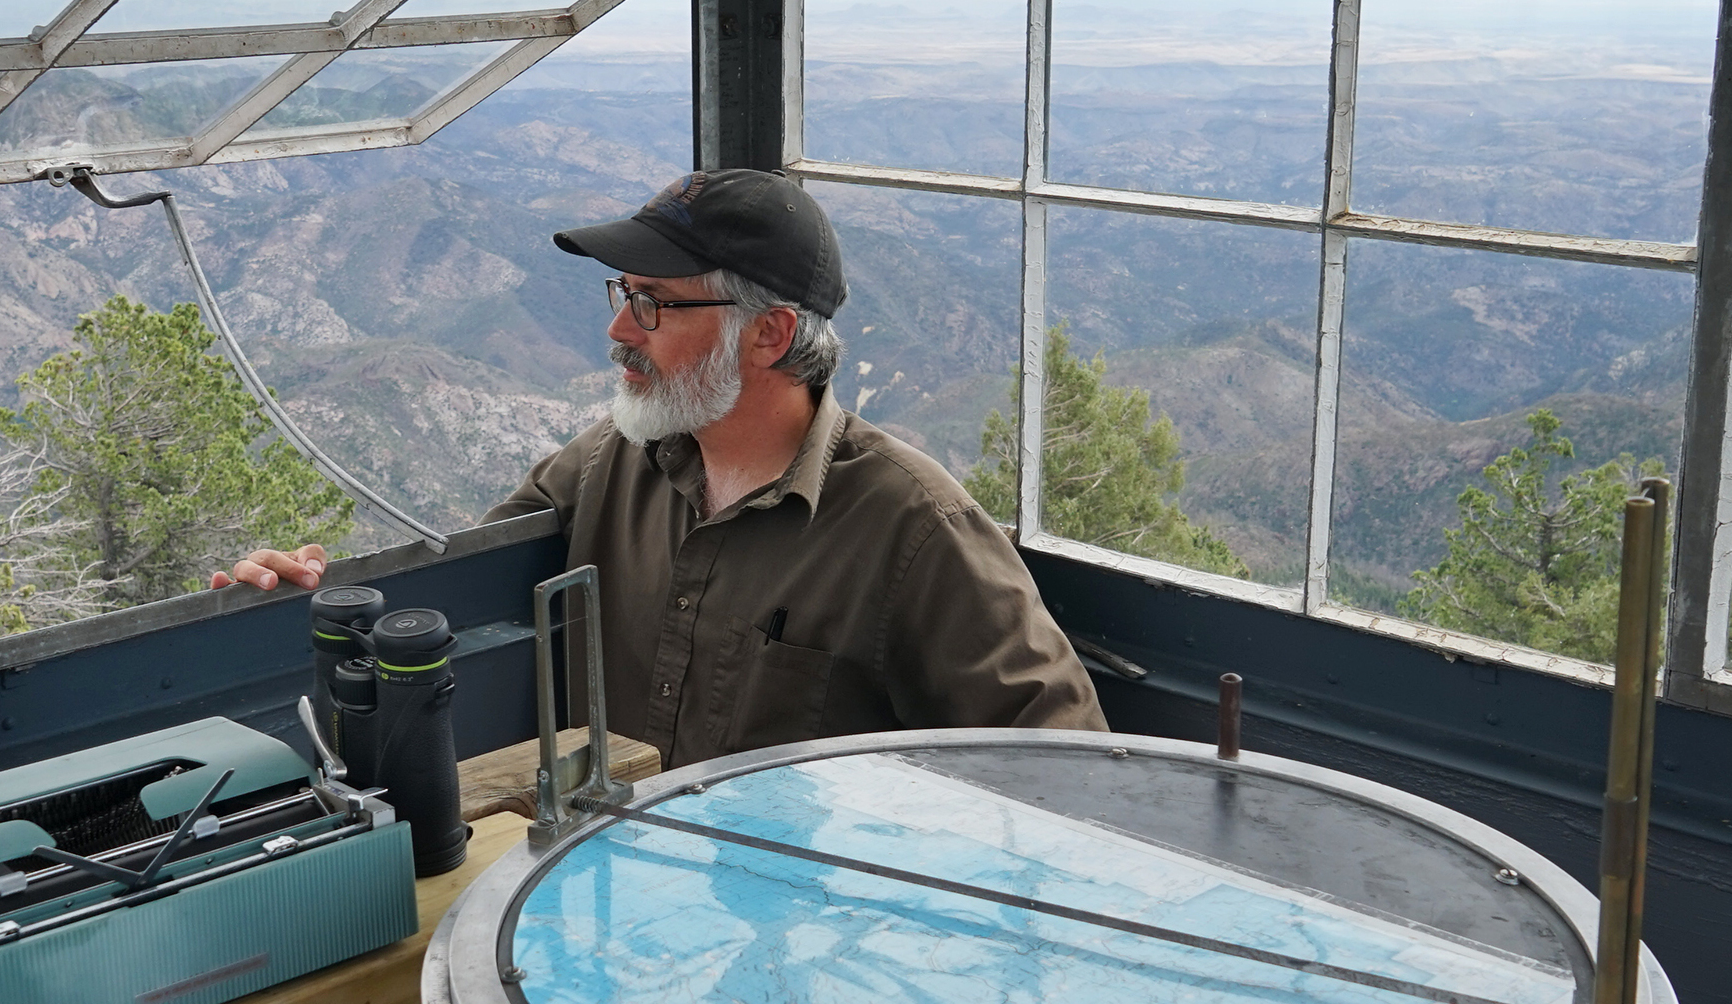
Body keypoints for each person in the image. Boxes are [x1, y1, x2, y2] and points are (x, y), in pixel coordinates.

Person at [216, 167, 1106, 768]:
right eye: (622, 297)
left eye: (652, 305)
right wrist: (322, 592)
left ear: (770, 333)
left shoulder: (912, 527)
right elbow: (450, 601)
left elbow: (1061, 765)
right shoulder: (603, 464)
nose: (617, 330)